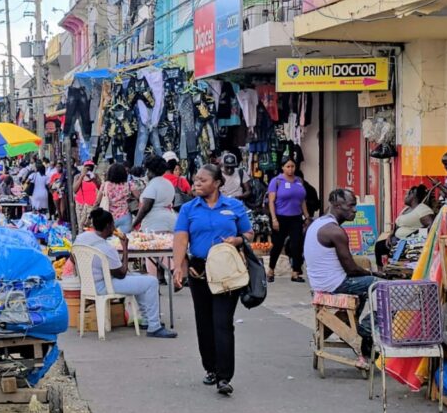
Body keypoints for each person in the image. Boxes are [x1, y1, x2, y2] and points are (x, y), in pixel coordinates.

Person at [172, 165, 253, 395]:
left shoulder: (234, 206)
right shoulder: (188, 209)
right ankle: (211, 368)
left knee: (223, 322)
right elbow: (181, 238)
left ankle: (224, 377)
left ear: (217, 183)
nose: (196, 183)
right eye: (195, 179)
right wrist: (178, 267)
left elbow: (248, 234)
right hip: (199, 270)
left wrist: (237, 240)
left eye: (202, 180)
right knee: (204, 323)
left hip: (227, 271)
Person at [73, 208, 177, 338]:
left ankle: (146, 319)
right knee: (152, 282)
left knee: (139, 278)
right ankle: (154, 326)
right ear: (108, 226)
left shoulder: (81, 238)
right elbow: (121, 273)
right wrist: (125, 248)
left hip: (89, 284)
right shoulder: (106, 249)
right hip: (104, 285)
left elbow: (73, 257)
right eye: (112, 224)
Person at [304, 188, 380, 367]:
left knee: (365, 288)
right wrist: (374, 274)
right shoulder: (335, 232)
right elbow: (351, 269)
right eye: (351, 205)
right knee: (385, 289)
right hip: (335, 284)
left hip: (322, 282)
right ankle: (363, 332)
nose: (355, 210)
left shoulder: (319, 222)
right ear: (337, 206)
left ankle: (354, 332)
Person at [267, 157, 311, 283]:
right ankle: (271, 270)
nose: (290, 169)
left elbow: (302, 201)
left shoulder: (299, 181)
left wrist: (307, 216)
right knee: (278, 245)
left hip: (296, 218)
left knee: (297, 244)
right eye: (288, 166)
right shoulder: (276, 181)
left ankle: (295, 272)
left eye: (292, 166)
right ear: (282, 167)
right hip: (280, 217)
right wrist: (274, 219)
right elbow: (271, 202)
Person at [374, 185, 435, 269]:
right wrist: (391, 235)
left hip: (408, 243)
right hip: (396, 240)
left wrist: (413, 237)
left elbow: (431, 226)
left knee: (382, 247)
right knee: (379, 246)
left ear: (413, 195)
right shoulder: (406, 209)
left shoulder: (422, 209)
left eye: (407, 194)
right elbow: (397, 224)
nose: (405, 197)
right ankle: (380, 272)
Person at [133, 155, 176, 233]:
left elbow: (145, 208)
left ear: (150, 171)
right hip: (171, 221)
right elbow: (172, 202)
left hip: (154, 224)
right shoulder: (168, 184)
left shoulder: (152, 186)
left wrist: (134, 224)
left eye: (147, 170)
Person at [95, 163, 137, 233]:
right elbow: (138, 196)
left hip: (109, 218)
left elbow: (97, 201)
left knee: (110, 240)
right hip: (125, 217)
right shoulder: (129, 184)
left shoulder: (105, 185)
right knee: (124, 239)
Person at [73, 160, 100, 228]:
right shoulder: (77, 176)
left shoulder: (95, 176)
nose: (89, 169)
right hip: (81, 205)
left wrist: (94, 179)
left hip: (92, 206)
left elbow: (100, 188)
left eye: (91, 167)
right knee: (81, 226)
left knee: (92, 226)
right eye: (87, 168)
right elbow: (74, 189)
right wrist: (82, 176)